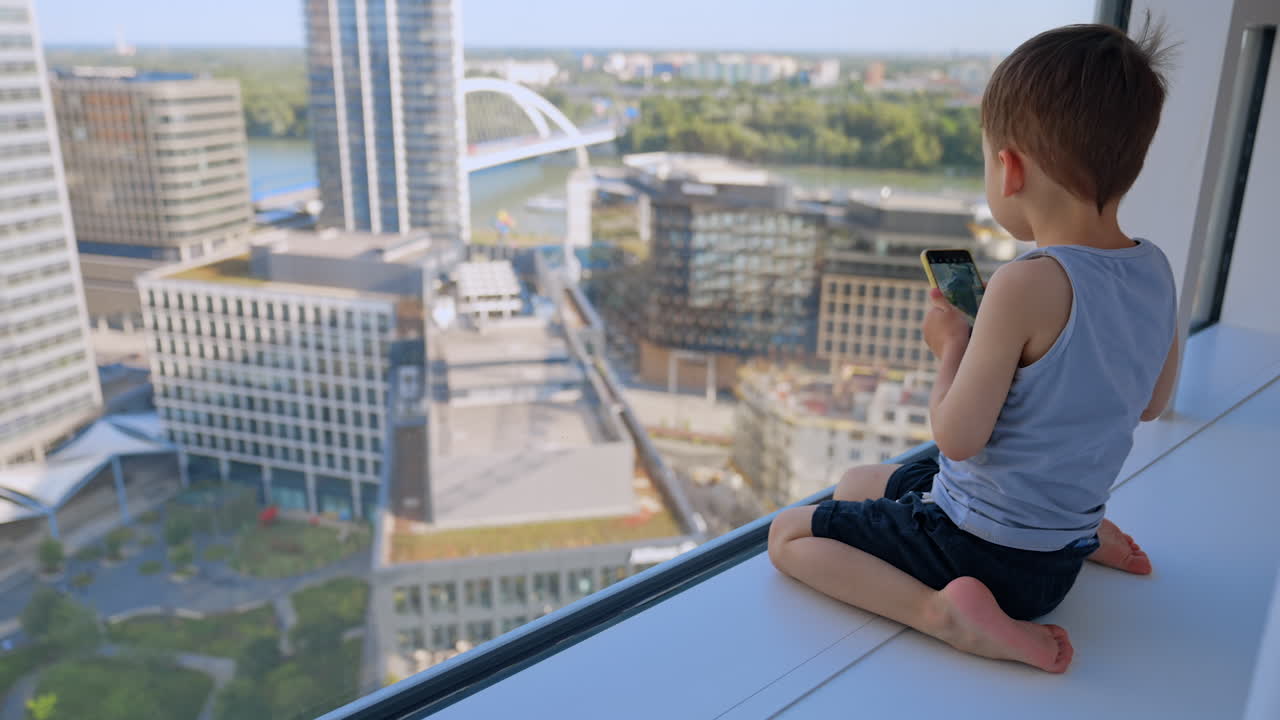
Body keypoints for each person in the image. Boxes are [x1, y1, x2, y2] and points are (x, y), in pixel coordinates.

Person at [768, 19, 1178, 674]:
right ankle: (1084, 528)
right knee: (854, 484)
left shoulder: (1025, 282)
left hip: (977, 552)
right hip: (1056, 557)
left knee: (787, 534)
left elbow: (959, 437)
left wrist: (952, 346)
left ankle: (944, 614)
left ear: (1009, 168)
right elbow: (1152, 402)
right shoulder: (1154, 268)